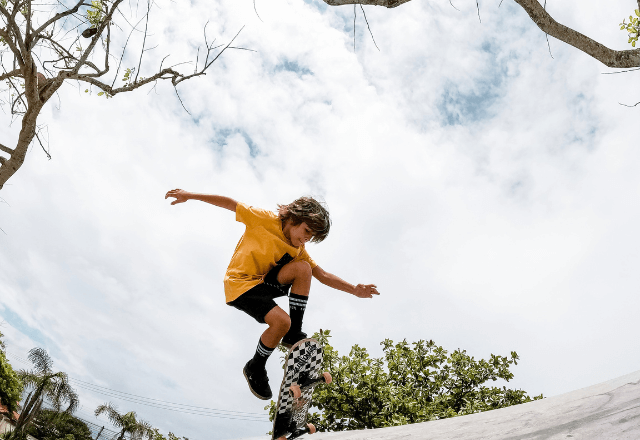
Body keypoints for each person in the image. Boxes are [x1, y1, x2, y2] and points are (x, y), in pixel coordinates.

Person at [165, 189, 380, 400]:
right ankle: (255, 367)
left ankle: (293, 333)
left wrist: (354, 289)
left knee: (304, 268)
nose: (306, 239)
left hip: (263, 283)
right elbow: (230, 203)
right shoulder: (262, 219)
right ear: (295, 218)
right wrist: (190, 196)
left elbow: (321, 275)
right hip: (240, 285)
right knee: (280, 321)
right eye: (306, 231)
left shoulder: (298, 248)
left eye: (311, 237)